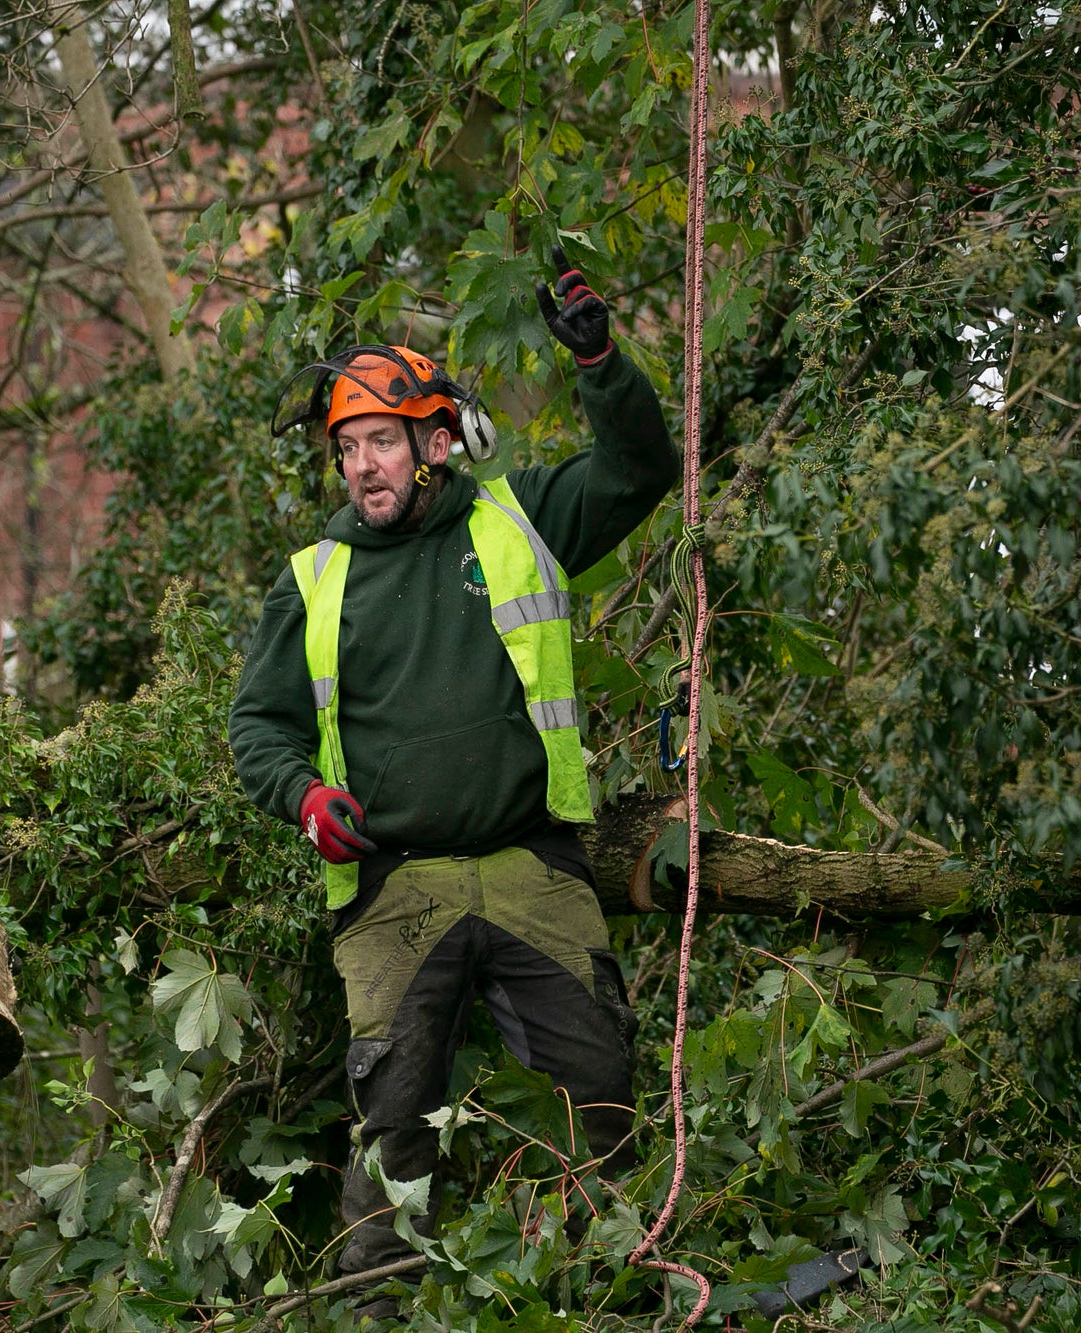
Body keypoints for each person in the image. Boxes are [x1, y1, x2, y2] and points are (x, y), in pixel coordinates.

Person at [228, 248, 678, 1284]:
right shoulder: (313, 579)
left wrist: (600, 360)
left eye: (380, 442)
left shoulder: (520, 521)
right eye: (346, 450)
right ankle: (377, 1307)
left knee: (599, 1091)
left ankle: (598, 1292)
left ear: (438, 440)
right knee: (389, 1129)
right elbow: (256, 723)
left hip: (531, 862)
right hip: (395, 885)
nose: (360, 468)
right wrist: (303, 797)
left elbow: (639, 470)